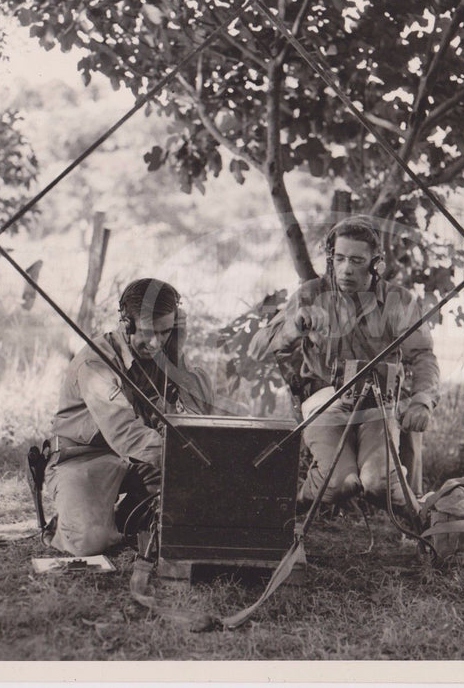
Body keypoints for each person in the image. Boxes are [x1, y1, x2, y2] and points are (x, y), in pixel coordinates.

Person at [251, 216, 439, 509]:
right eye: (339, 259)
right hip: (325, 401)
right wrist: (294, 327)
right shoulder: (311, 294)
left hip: (378, 403)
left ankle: (419, 516)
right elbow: (258, 348)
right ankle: (291, 512)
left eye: (356, 260)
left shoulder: (398, 301)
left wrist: (422, 400)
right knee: (340, 483)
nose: (346, 269)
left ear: (375, 264)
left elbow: (424, 356)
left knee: (378, 483)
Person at [44, 278, 214, 556]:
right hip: (85, 457)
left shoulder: (165, 351)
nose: (156, 342)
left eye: (165, 331)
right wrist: (183, 457)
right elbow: (125, 434)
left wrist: (177, 353)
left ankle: (124, 518)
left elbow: (199, 413)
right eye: (148, 332)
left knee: (202, 507)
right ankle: (77, 518)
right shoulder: (96, 363)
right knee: (89, 542)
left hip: (138, 459)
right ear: (126, 324)